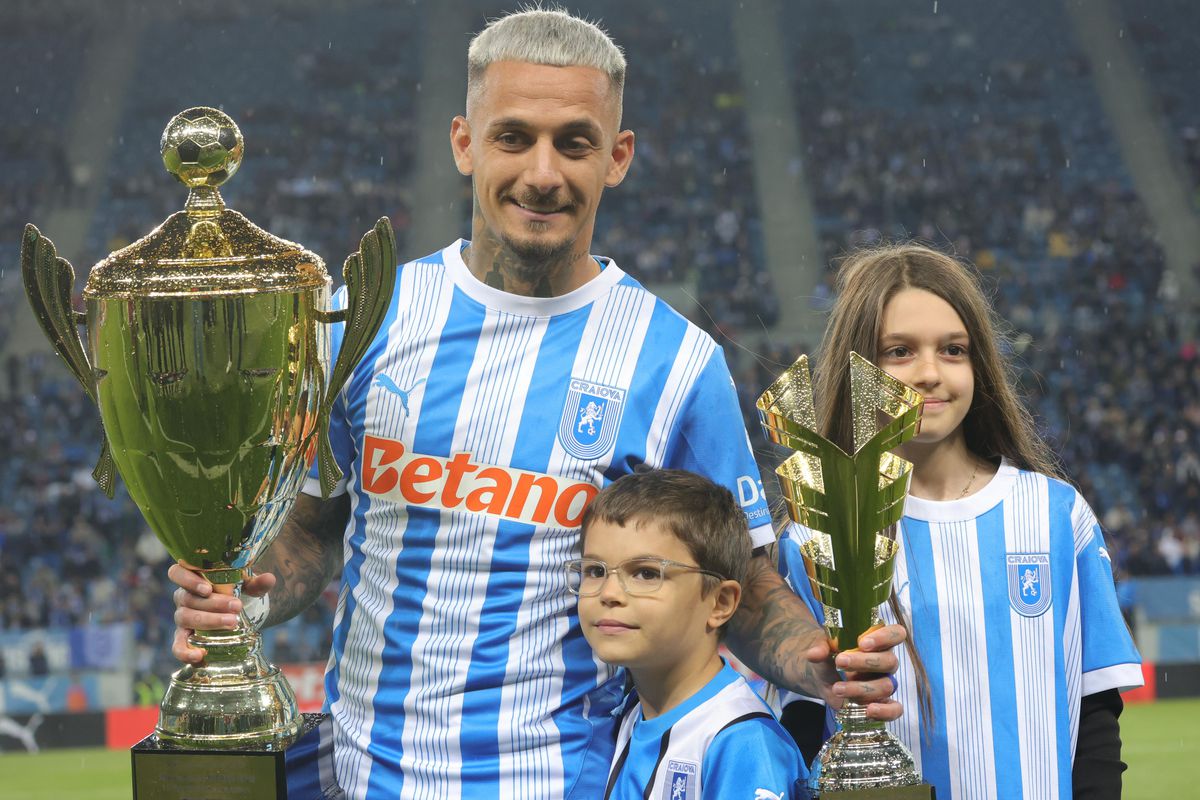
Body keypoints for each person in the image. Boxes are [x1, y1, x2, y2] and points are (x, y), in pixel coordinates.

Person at [170, 9, 905, 798]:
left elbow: (743, 585)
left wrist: (819, 663)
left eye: (575, 143)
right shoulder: (364, 321)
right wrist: (240, 595)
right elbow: (313, 531)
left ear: (617, 157)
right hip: (364, 777)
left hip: (565, 782)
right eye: (514, 137)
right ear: (465, 143)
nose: (543, 172)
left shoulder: (678, 363)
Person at [776, 243, 1143, 799]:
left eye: (953, 350)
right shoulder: (818, 532)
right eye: (899, 351)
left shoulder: (1056, 514)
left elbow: (1097, 712)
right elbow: (803, 726)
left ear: (980, 365)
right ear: (858, 369)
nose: (929, 373)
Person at [572, 469, 807, 800]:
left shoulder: (743, 743)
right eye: (595, 570)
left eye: (646, 574)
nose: (609, 593)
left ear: (720, 602)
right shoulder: (628, 713)